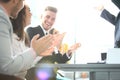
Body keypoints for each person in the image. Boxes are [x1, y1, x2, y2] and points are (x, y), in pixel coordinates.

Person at [0, 0, 61, 79]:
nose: (31, 14)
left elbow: (24, 61)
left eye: (53, 19)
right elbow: (7, 67)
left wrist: (38, 53)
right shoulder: (4, 21)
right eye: (29, 10)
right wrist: (35, 51)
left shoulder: (21, 35)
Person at [26, 6, 80, 80]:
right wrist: (54, 44)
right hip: (35, 75)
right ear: (41, 17)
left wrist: (69, 51)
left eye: (53, 19)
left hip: (51, 76)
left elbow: (59, 59)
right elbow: (35, 53)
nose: (50, 21)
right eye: (47, 17)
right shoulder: (31, 30)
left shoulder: (53, 36)